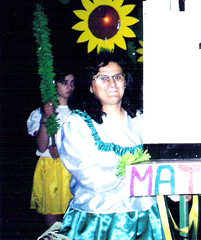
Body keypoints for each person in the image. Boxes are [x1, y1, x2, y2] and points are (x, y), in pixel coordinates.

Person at [57, 52, 164, 239]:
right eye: (102, 78)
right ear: (90, 86)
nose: (112, 83)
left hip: (146, 216)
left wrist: (172, 186)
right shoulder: (77, 124)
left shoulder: (142, 120)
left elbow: (161, 161)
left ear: (126, 81)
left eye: (117, 77)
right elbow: (91, 177)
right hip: (98, 220)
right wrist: (142, 177)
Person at [27, 70, 76, 226]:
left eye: (72, 83)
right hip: (49, 168)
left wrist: (63, 152)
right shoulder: (38, 113)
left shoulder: (78, 113)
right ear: (54, 85)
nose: (70, 86)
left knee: (73, 221)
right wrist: (46, 118)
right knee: (54, 225)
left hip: (72, 168)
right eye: (65, 82)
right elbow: (42, 147)